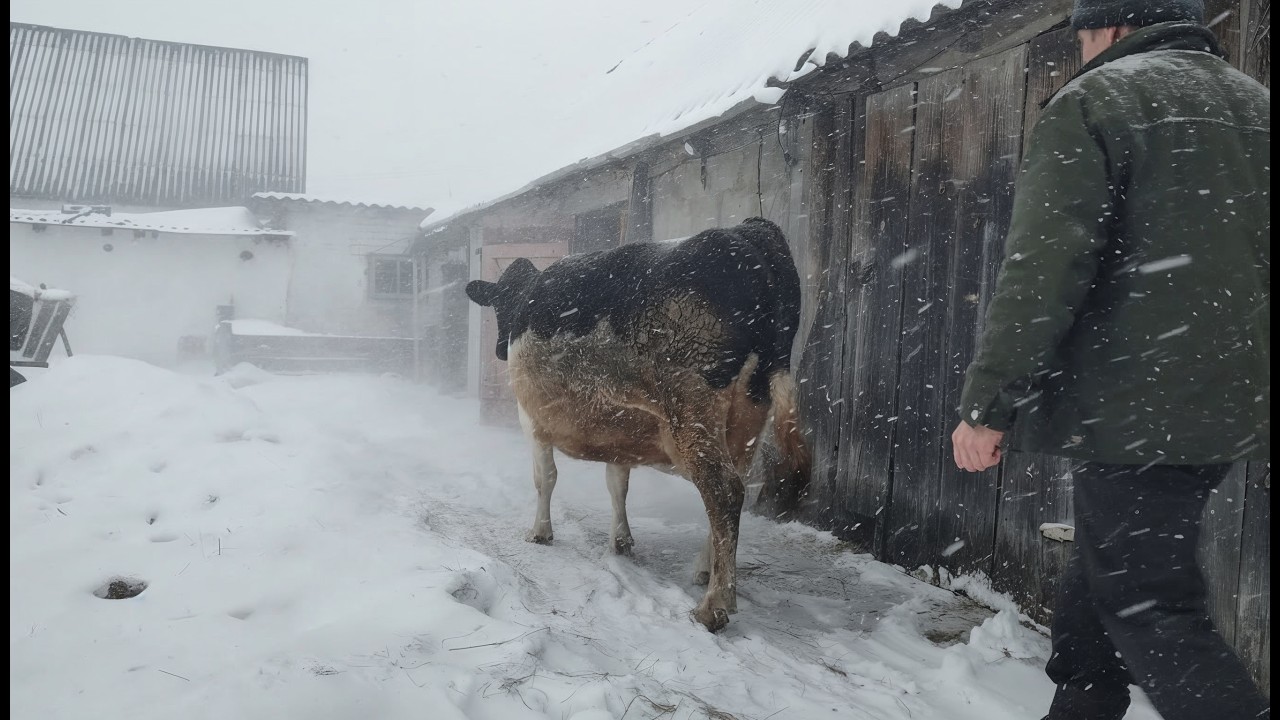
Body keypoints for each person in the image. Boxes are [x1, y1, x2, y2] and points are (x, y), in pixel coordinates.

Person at [949, 1, 1271, 718]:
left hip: (1139, 406)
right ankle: (1082, 703)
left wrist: (989, 403)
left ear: (1115, 28)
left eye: (1085, 37)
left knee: (1150, 607)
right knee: (1110, 561)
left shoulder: (1098, 101)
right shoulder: (1257, 105)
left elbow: (1043, 271)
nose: (1083, 52)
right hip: (1230, 403)